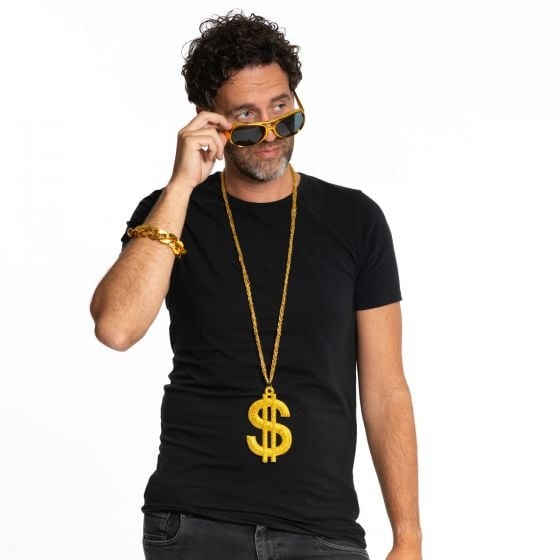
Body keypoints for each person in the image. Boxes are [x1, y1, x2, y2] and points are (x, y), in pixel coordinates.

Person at [90, 11, 422, 560]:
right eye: (246, 116)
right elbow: (116, 328)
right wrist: (181, 185)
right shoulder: (171, 212)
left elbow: (386, 389)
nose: (269, 133)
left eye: (281, 109)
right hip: (194, 523)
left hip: (323, 530)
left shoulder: (355, 219)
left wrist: (408, 537)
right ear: (210, 120)